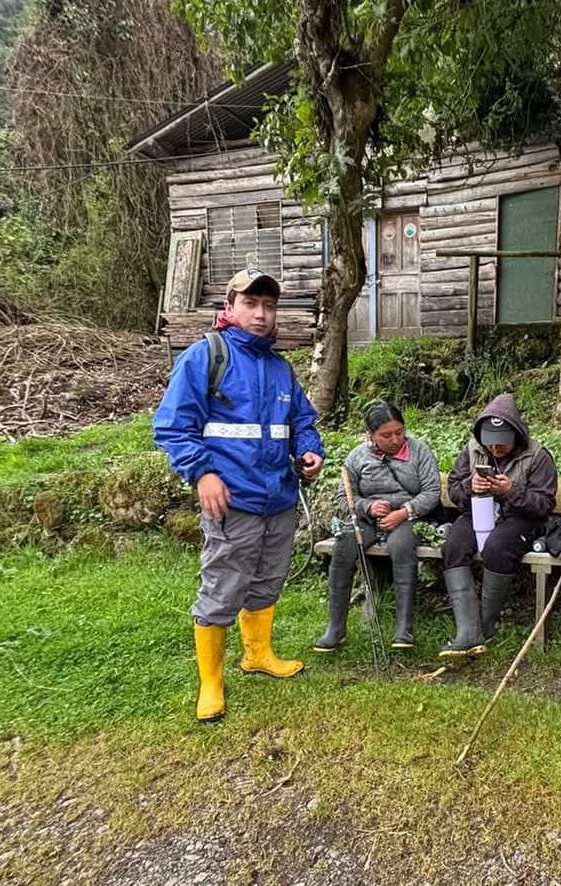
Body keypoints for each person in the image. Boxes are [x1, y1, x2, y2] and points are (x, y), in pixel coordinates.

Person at [153, 268, 324, 723]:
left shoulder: (280, 368)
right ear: (230, 307)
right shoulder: (204, 357)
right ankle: (210, 682)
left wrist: (308, 452)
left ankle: (257, 654)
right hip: (232, 501)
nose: (262, 314)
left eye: (269, 306)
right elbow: (171, 427)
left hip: (280, 499)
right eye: (251, 304)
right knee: (223, 588)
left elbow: (302, 422)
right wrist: (202, 474)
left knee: (268, 581)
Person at [314, 401, 441, 652]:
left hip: (408, 517)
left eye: (399, 432)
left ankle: (404, 628)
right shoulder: (357, 457)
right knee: (346, 543)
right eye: (386, 435)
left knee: (401, 544)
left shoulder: (419, 451)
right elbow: (344, 496)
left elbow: (432, 492)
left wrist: (403, 512)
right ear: (370, 434)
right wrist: (367, 507)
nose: (395, 439)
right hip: (368, 519)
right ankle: (335, 627)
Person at [439, 394, 557, 657]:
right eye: (490, 443)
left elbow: (544, 504)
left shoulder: (537, 456)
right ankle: (467, 632)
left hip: (521, 519)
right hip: (478, 512)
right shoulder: (471, 449)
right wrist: (470, 487)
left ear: (516, 435)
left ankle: (483, 629)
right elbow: (454, 491)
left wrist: (510, 490)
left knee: (497, 548)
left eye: (501, 444)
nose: (495, 449)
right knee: (453, 546)